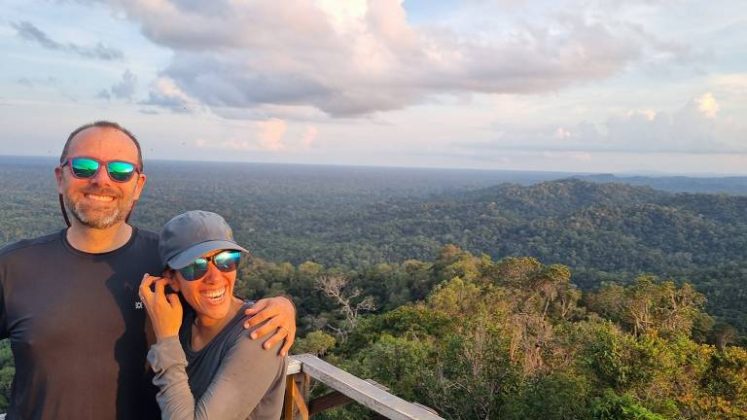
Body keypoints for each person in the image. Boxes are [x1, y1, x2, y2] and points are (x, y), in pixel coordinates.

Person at [0, 121, 296, 419]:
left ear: (138, 185)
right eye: (84, 166)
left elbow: (220, 300)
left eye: (120, 171)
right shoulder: (14, 266)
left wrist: (284, 307)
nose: (102, 180)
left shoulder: (170, 262)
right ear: (60, 178)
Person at [140, 210, 287, 419]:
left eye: (226, 260)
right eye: (195, 266)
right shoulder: (184, 320)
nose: (215, 277)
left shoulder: (260, 332)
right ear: (172, 279)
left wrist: (166, 340)